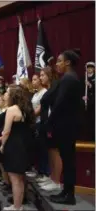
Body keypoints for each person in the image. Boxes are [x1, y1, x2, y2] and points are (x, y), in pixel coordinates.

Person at [49, 49, 82, 205]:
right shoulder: (70, 78)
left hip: (66, 127)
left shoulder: (68, 79)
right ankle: (67, 191)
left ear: (67, 62)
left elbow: (59, 105)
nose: (57, 64)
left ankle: (69, 196)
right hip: (68, 126)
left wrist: (48, 124)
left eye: (59, 61)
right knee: (67, 160)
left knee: (68, 162)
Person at [0, 85, 35, 211]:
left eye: (8, 92)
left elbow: (6, 131)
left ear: (12, 95)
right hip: (23, 145)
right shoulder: (24, 109)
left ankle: (17, 207)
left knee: (15, 179)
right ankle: (18, 205)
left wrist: (3, 144)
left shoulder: (12, 109)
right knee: (20, 178)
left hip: (13, 147)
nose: (5, 94)